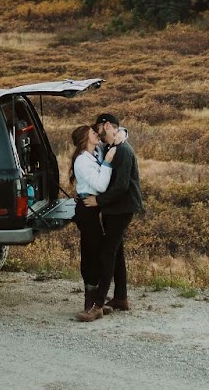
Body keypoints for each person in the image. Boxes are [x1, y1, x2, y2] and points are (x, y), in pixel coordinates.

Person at [77, 110, 142, 321]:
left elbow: (122, 186)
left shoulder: (122, 151)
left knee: (107, 253)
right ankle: (121, 298)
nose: (99, 136)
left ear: (106, 126)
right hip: (115, 208)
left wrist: (99, 201)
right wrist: (122, 132)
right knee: (117, 251)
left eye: (98, 131)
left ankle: (97, 305)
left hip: (120, 208)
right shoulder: (113, 146)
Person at [67, 124, 111, 320]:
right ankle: (89, 302)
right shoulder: (83, 161)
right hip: (87, 208)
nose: (97, 134)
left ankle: (97, 300)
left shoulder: (95, 152)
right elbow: (100, 185)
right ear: (85, 138)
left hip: (94, 207)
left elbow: (123, 133)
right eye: (93, 132)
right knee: (91, 252)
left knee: (99, 251)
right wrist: (108, 163)